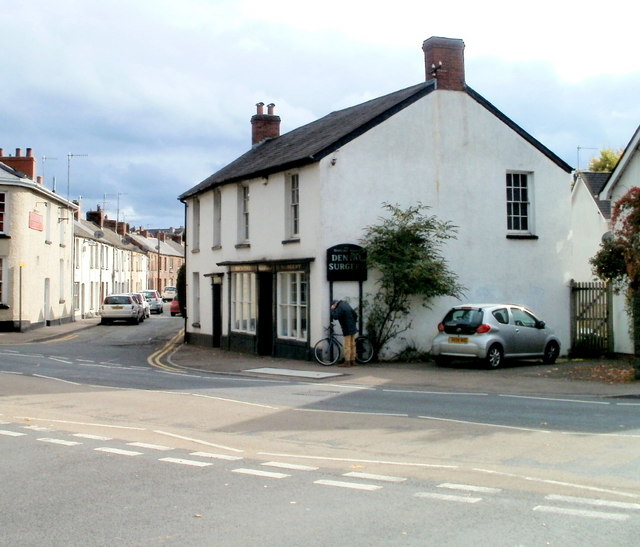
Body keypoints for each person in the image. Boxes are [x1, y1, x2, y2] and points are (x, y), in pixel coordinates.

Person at [330, 299, 358, 367]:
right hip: (352, 327)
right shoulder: (346, 304)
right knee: (352, 345)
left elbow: (335, 316)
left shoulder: (340, 307)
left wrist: (332, 309)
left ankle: (347, 362)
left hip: (347, 328)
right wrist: (353, 322)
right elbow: (355, 314)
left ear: (335, 304)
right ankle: (353, 361)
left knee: (347, 345)